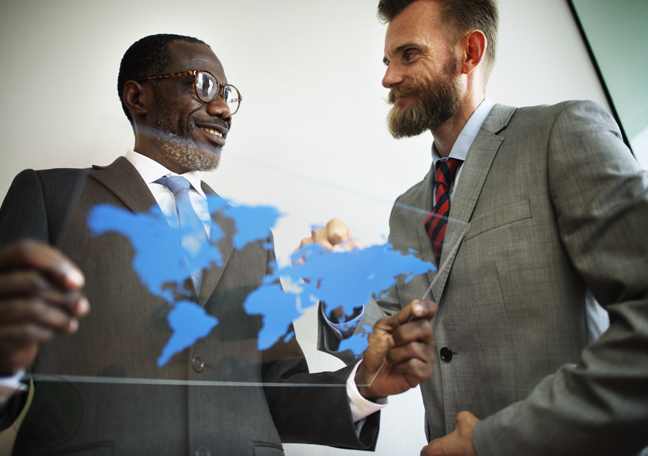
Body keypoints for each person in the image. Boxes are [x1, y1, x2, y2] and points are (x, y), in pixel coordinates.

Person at [0, 34, 438, 455]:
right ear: (138, 97)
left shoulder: (250, 235)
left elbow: (277, 391)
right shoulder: (50, 196)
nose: (224, 108)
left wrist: (365, 384)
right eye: (204, 85)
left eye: (228, 93)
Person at [310, 1, 648, 455]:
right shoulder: (406, 209)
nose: (388, 78)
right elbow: (377, 350)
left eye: (408, 55)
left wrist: (494, 442)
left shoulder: (560, 133)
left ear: (469, 52)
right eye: (388, 60)